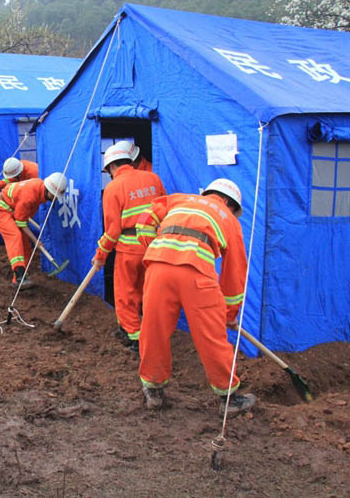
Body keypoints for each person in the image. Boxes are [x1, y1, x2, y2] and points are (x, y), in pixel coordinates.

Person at [135, 178, 255, 414]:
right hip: (197, 273)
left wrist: (157, 247)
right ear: (230, 204)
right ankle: (228, 398)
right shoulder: (229, 220)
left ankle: (153, 391)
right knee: (211, 335)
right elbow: (234, 273)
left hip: (158, 268)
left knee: (153, 329)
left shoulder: (179, 199)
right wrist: (229, 314)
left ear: (207, 193)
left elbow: (143, 221)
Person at [93, 140, 166, 353]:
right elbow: (165, 210)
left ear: (110, 167)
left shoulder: (113, 188)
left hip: (129, 250)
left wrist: (100, 255)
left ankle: (134, 337)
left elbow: (113, 230)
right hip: (154, 246)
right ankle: (148, 332)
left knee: (126, 294)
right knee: (148, 291)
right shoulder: (153, 178)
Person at [0, 172, 67, 289]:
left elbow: (23, 218)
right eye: (55, 195)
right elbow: (21, 223)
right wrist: (35, 240)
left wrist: (34, 240)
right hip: (0, 210)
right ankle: (19, 275)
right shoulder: (30, 195)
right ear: (49, 190)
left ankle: (20, 280)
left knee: (25, 246)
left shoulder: (40, 191)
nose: (55, 198)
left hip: (13, 210)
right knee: (15, 236)